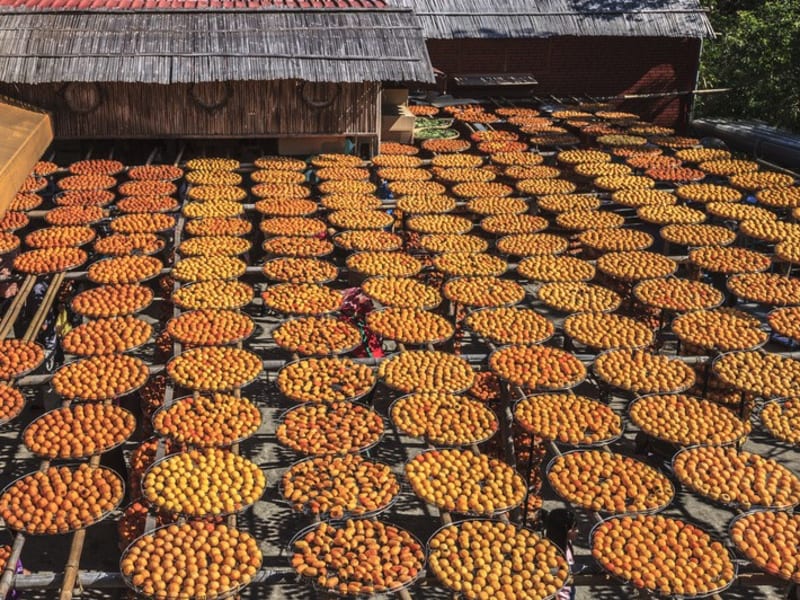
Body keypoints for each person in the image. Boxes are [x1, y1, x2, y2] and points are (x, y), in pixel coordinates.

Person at [545, 508, 578, 600]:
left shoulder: (566, 543)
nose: (577, 531)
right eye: (574, 528)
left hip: (569, 592)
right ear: (564, 530)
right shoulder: (553, 554)